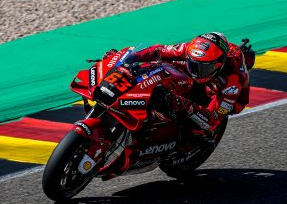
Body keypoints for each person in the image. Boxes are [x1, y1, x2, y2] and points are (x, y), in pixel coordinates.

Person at [106, 32, 255, 146]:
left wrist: (182, 103)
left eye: (203, 68)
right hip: (201, 78)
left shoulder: (232, 83)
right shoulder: (189, 50)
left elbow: (213, 120)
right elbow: (158, 50)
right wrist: (129, 57)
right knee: (162, 65)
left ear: (218, 65)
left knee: (202, 128)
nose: (196, 71)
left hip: (220, 96)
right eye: (193, 64)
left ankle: (185, 137)